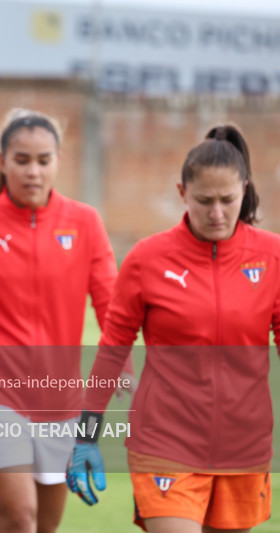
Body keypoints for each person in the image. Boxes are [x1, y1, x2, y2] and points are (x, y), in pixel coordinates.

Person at [67, 124, 275, 533]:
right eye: (204, 201)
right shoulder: (148, 258)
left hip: (245, 446)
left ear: (245, 189)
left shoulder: (272, 256)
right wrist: (86, 435)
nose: (217, 213)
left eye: (228, 200)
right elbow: (111, 351)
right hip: (165, 442)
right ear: (182, 193)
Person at [0, 109, 120, 533]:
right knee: (18, 519)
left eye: (43, 160)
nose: (33, 171)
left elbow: (113, 309)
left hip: (61, 402)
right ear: (2, 161)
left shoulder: (84, 222)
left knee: (44, 528)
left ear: (58, 160)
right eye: (22, 160)